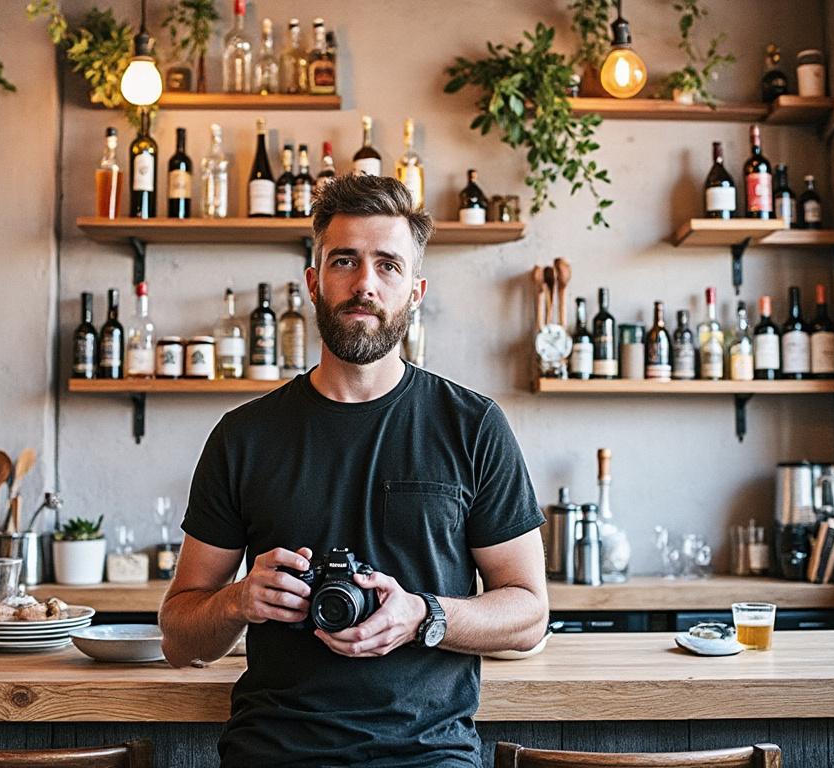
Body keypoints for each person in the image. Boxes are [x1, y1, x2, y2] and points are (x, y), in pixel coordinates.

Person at [160, 174, 548, 768]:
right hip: (273, 755)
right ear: (314, 282)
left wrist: (424, 614)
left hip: (429, 758)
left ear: (415, 292)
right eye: (345, 260)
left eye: (388, 265)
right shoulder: (243, 437)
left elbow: (528, 613)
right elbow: (179, 637)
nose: (365, 284)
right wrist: (240, 600)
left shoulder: (472, 426)